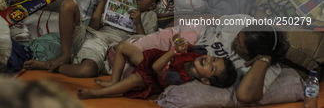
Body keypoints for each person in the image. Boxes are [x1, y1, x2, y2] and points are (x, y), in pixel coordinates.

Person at [115, 14, 290, 104]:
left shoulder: (266, 67)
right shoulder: (242, 22)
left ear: (255, 54)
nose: (234, 40)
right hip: (188, 39)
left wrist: (264, 60)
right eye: (238, 35)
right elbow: (211, 20)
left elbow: (245, 95)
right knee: (122, 51)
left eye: (240, 44)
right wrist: (181, 34)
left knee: (134, 75)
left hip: (185, 60)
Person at [23, 0, 162, 78]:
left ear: (152, 5)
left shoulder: (149, 15)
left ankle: (50, 65)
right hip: (89, 35)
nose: (137, 0)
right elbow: (93, 27)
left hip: (102, 43)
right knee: (68, 3)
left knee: (86, 70)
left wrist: (138, 23)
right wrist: (103, 1)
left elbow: (145, 44)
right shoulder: (118, 8)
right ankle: (65, 55)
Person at [77, 34, 237, 100]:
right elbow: (176, 39)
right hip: (151, 57)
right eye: (213, 58)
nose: (209, 61)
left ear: (206, 81)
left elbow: (156, 68)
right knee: (122, 46)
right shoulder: (197, 52)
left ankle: (97, 94)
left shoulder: (180, 78)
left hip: (151, 77)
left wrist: (173, 51)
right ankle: (114, 81)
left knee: (135, 78)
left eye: (212, 68)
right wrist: (178, 41)